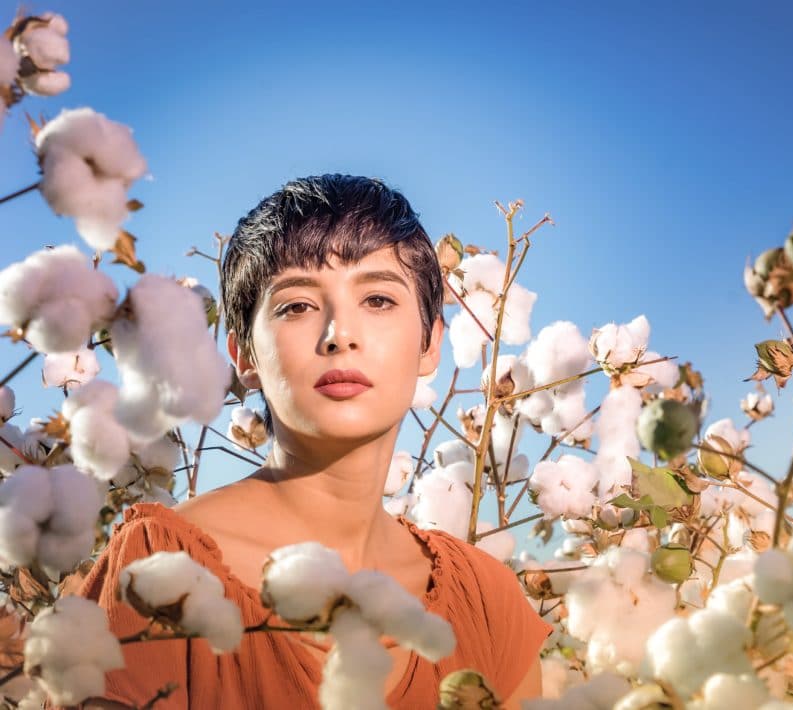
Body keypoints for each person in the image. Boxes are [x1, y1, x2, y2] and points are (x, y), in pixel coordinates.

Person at [76, 174, 552, 709]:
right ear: (244, 356)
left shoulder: (487, 600)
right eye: (296, 306)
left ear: (430, 342)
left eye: (377, 299)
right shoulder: (160, 572)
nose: (338, 333)